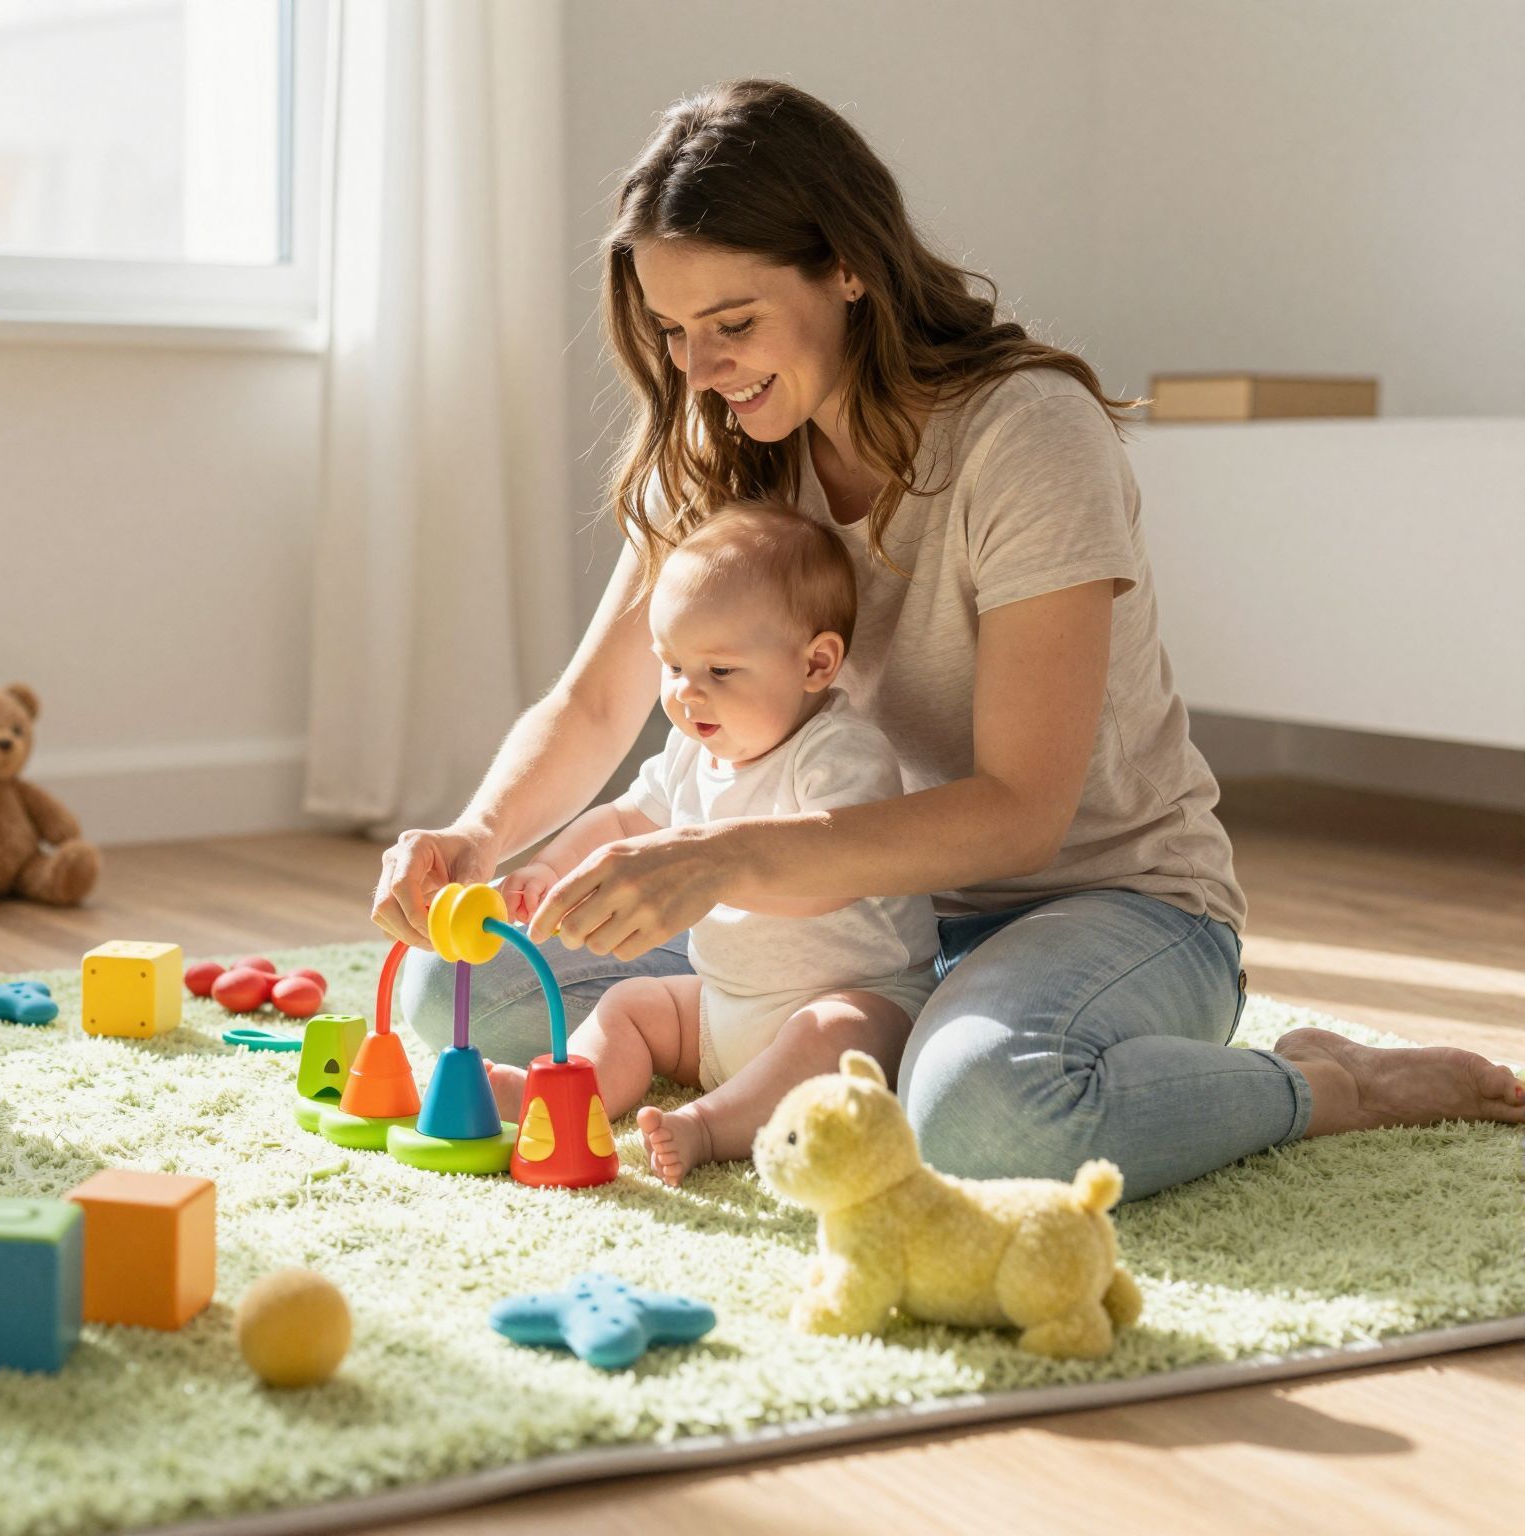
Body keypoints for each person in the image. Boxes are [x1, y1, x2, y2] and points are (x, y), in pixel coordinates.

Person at [376, 79, 1525, 1202]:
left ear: (849, 267)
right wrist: (475, 840)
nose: (698, 369)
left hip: (1095, 903)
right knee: (455, 991)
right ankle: (900, 1032)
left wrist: (718, 859)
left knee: (981, 1118)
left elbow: (1020, 805)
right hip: (848, 924)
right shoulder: (717, 446)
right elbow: (591, 706)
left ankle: (1320, 1085)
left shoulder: (1023, 436)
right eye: (673, 332)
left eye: (731, 324)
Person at [483, 500, 938, 1186]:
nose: (687, 696)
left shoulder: (841, 754)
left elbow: (832, 876)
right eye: (672, 667)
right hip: (721, 1003)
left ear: (816, 663)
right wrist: (549, 867)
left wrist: (715, 871)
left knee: (833, 1032)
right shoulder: (692, 751)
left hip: (858, 1002)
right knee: (632, 1009)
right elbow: (628, 820)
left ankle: (710, 1126)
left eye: (719, 672)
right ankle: (568, 1094)